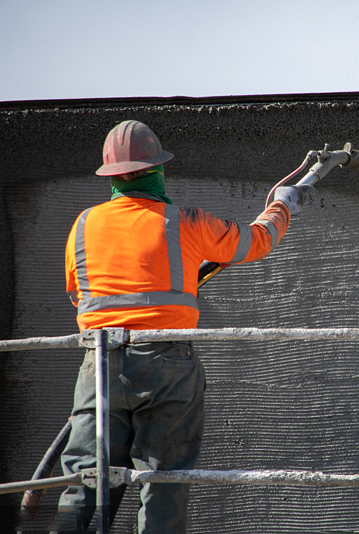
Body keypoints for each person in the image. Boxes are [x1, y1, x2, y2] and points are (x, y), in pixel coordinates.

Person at [50, 120, 310, 533]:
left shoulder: (83, 224)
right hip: (166, 362)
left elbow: (77, 292)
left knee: (86, 481)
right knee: (163, 480)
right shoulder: (184, 221)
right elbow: (255, 241)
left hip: (97, 362)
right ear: (157, 170)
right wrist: (283, 206)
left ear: (113, 176)